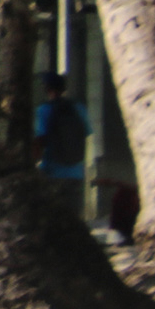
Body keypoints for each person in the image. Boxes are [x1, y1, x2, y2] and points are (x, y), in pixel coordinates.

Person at [33, 68, 92, 213]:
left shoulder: (43, 110)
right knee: (74, 218)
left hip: (52, 173)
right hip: (77, 173)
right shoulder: (79, 108)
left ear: (47, 88)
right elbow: (87, 133)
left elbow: (39, 141)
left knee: (54, 218)